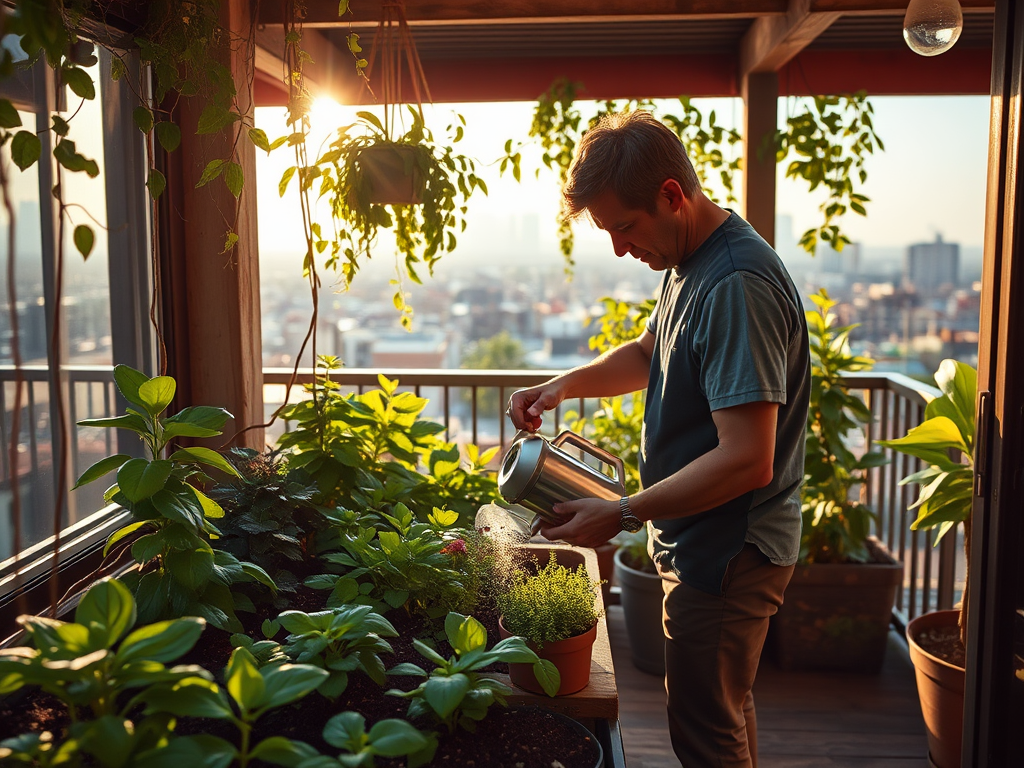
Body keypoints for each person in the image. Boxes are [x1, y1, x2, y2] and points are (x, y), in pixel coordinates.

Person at [506, 111, 810, 768]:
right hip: (705, 542)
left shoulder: (734, 285)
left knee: (704, 730)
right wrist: (561, 386)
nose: (618, 248)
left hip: (729, 550)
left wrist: (619, 511)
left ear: (673, 195)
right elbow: (650, 353)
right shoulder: (690, 260)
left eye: (624, 227)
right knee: (723, 710)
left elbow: (748, 458)